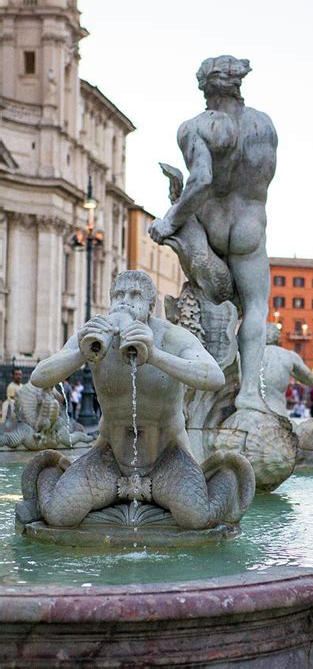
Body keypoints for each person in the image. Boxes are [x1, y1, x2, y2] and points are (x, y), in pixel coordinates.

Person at [29, 271, 255, 530]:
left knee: (196, 518)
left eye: (135, 295)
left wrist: (155, 355)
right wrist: (80, 353)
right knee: (59, 515)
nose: (125, 301)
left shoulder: (171, 337)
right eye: (119, 295)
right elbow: (39, 377)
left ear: (150, 306)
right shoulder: (93, 334)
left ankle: (222, 478)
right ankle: (52, 474)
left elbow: (214, 377)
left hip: (166, 457)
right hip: (110, 457)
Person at [149, 55, 277, 415]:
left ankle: (199, 389)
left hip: (212, 223)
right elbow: (263, 179)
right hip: (251, 224)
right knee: (255, 307)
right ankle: (249, 392)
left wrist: (170, 220)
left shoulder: (195, 127)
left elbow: (202, 181)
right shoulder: (264, 126)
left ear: (203, 86)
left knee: (204, 299)